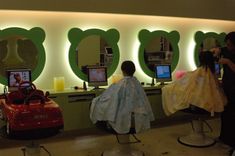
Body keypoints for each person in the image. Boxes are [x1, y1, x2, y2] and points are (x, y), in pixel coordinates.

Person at [90, 60, 154, 134]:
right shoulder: (137, 83)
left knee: (96, 103)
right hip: (137, 117)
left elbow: (110, 100)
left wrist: (97, 100)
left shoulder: (120, 85)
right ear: (134, 70)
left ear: (122, 71)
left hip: (124, 117)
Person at [162, 51, 227, 116]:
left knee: (182, 97)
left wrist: (167, 88)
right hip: (212, 105)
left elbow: (186, 85)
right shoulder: (212, 74)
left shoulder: (198, 73)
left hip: (199, 106)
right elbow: (218, 87)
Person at [215, 32, 235, 148]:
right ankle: (224, 137)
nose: (228, 47)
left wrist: (228, 62)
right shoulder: (226, 50)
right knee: (225, 113)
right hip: (227, 85)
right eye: (226, 44)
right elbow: (215, 50)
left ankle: (232, 141)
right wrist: (216, 51)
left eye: (230, 45)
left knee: (233, 114)